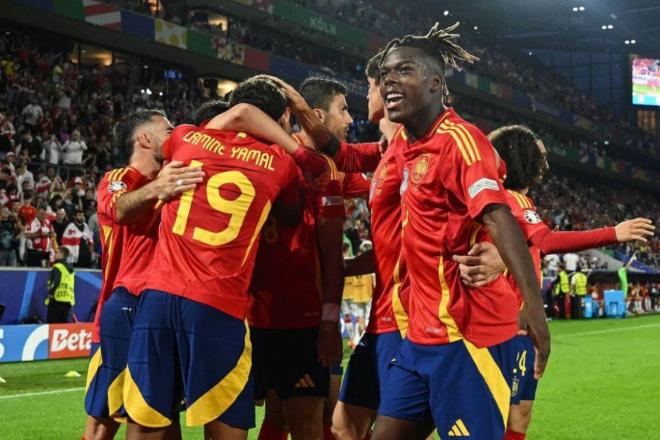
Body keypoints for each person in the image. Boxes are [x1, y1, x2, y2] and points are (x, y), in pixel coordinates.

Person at [367, 23, 550, 440]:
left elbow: (498, 213)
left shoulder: (460, 141)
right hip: (418, 340)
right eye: (386, 74)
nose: (390, 80)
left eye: (404, 71)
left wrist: (534, 306)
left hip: (466, 339)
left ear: (435, 84)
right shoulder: (404, 145)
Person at [123, 76, 308, 440]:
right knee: (226, 427)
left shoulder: (185, 139)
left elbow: (234, 117)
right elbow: (292, 213)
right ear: (281, 118)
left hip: (158, 297)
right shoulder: (282, 166)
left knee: (145, 421)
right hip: (218, 304)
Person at [452, 124, 654, 440]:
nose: (544, 166)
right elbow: (546, 240)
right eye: (539, 157)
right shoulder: (512, 199)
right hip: (505, 327)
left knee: (518, 413)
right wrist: (613, 232)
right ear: (519, 159)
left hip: (517, 323)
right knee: (501, 414)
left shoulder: (505, 202)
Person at [268, 53, 405, 440]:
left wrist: (395, 151)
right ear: (317, 114)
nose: (350, 119)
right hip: (295, 311)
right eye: (343, 110)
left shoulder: (313, 162)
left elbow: (360, 167)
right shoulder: (301, 163)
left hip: (302, 307)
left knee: (313, 414)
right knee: (306, 417)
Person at [83, 109, 202, 440]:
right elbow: (120, 209)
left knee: (162, 413)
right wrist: (158, 189)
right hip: (126, 306)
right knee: (102, 420)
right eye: (168, 129)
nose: (175, 134)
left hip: (166, 309)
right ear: (145, 139)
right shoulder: (120, 177)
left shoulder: (176, 177)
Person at [247, 77, 346, 440]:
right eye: (344, 109)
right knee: (276, 418)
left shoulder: (322, 171)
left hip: (297, 322)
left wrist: (328, 322)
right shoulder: (309, 170)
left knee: (299, 420)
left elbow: (332, 256)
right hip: (252, 317)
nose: (349, 119)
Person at [45, 247, 74, 323]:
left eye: (57, 252)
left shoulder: (58, 267)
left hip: (56, 300)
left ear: (61, 254)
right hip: (68, 301)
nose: (55, 254)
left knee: (53, 326)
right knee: (63, 326)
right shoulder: (71, 269)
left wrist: (50, 292)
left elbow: (55, 282)